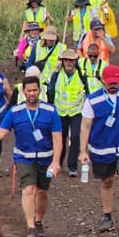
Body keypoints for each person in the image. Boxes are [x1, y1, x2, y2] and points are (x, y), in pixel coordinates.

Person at [0, 73, 64, 237]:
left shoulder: (50, 111)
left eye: (35, 90)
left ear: (40, 91)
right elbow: (0, 133)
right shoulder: (15, 112)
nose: (32, 94)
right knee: (29, 190)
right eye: (29, 91)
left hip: (45, 157)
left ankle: (39, 220)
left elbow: (57, 137)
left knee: (42, 192)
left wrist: (56, 161)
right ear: (23, 92)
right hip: (24, 157)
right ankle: (30, 227)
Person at [82, 64, 119, 231]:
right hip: (101, 148)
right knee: (107, 181)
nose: (112, 86)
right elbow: (85, 126)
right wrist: (82, 151)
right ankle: (107, 215)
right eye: (109, 83)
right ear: (103, 81)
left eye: (115, 82)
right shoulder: (92, 100)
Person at [47, 48, 93, 176]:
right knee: (60, 138)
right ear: (62, 61)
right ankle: (58, 163)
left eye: (71, 60)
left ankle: (72, 166)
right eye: (66, 60)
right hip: (60, 111)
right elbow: (50, 91)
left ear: (75, 62)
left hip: (76, 111)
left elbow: (88, 91)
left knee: (75, 137)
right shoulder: (56, 74)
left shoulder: (81, 74)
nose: (68, 63)